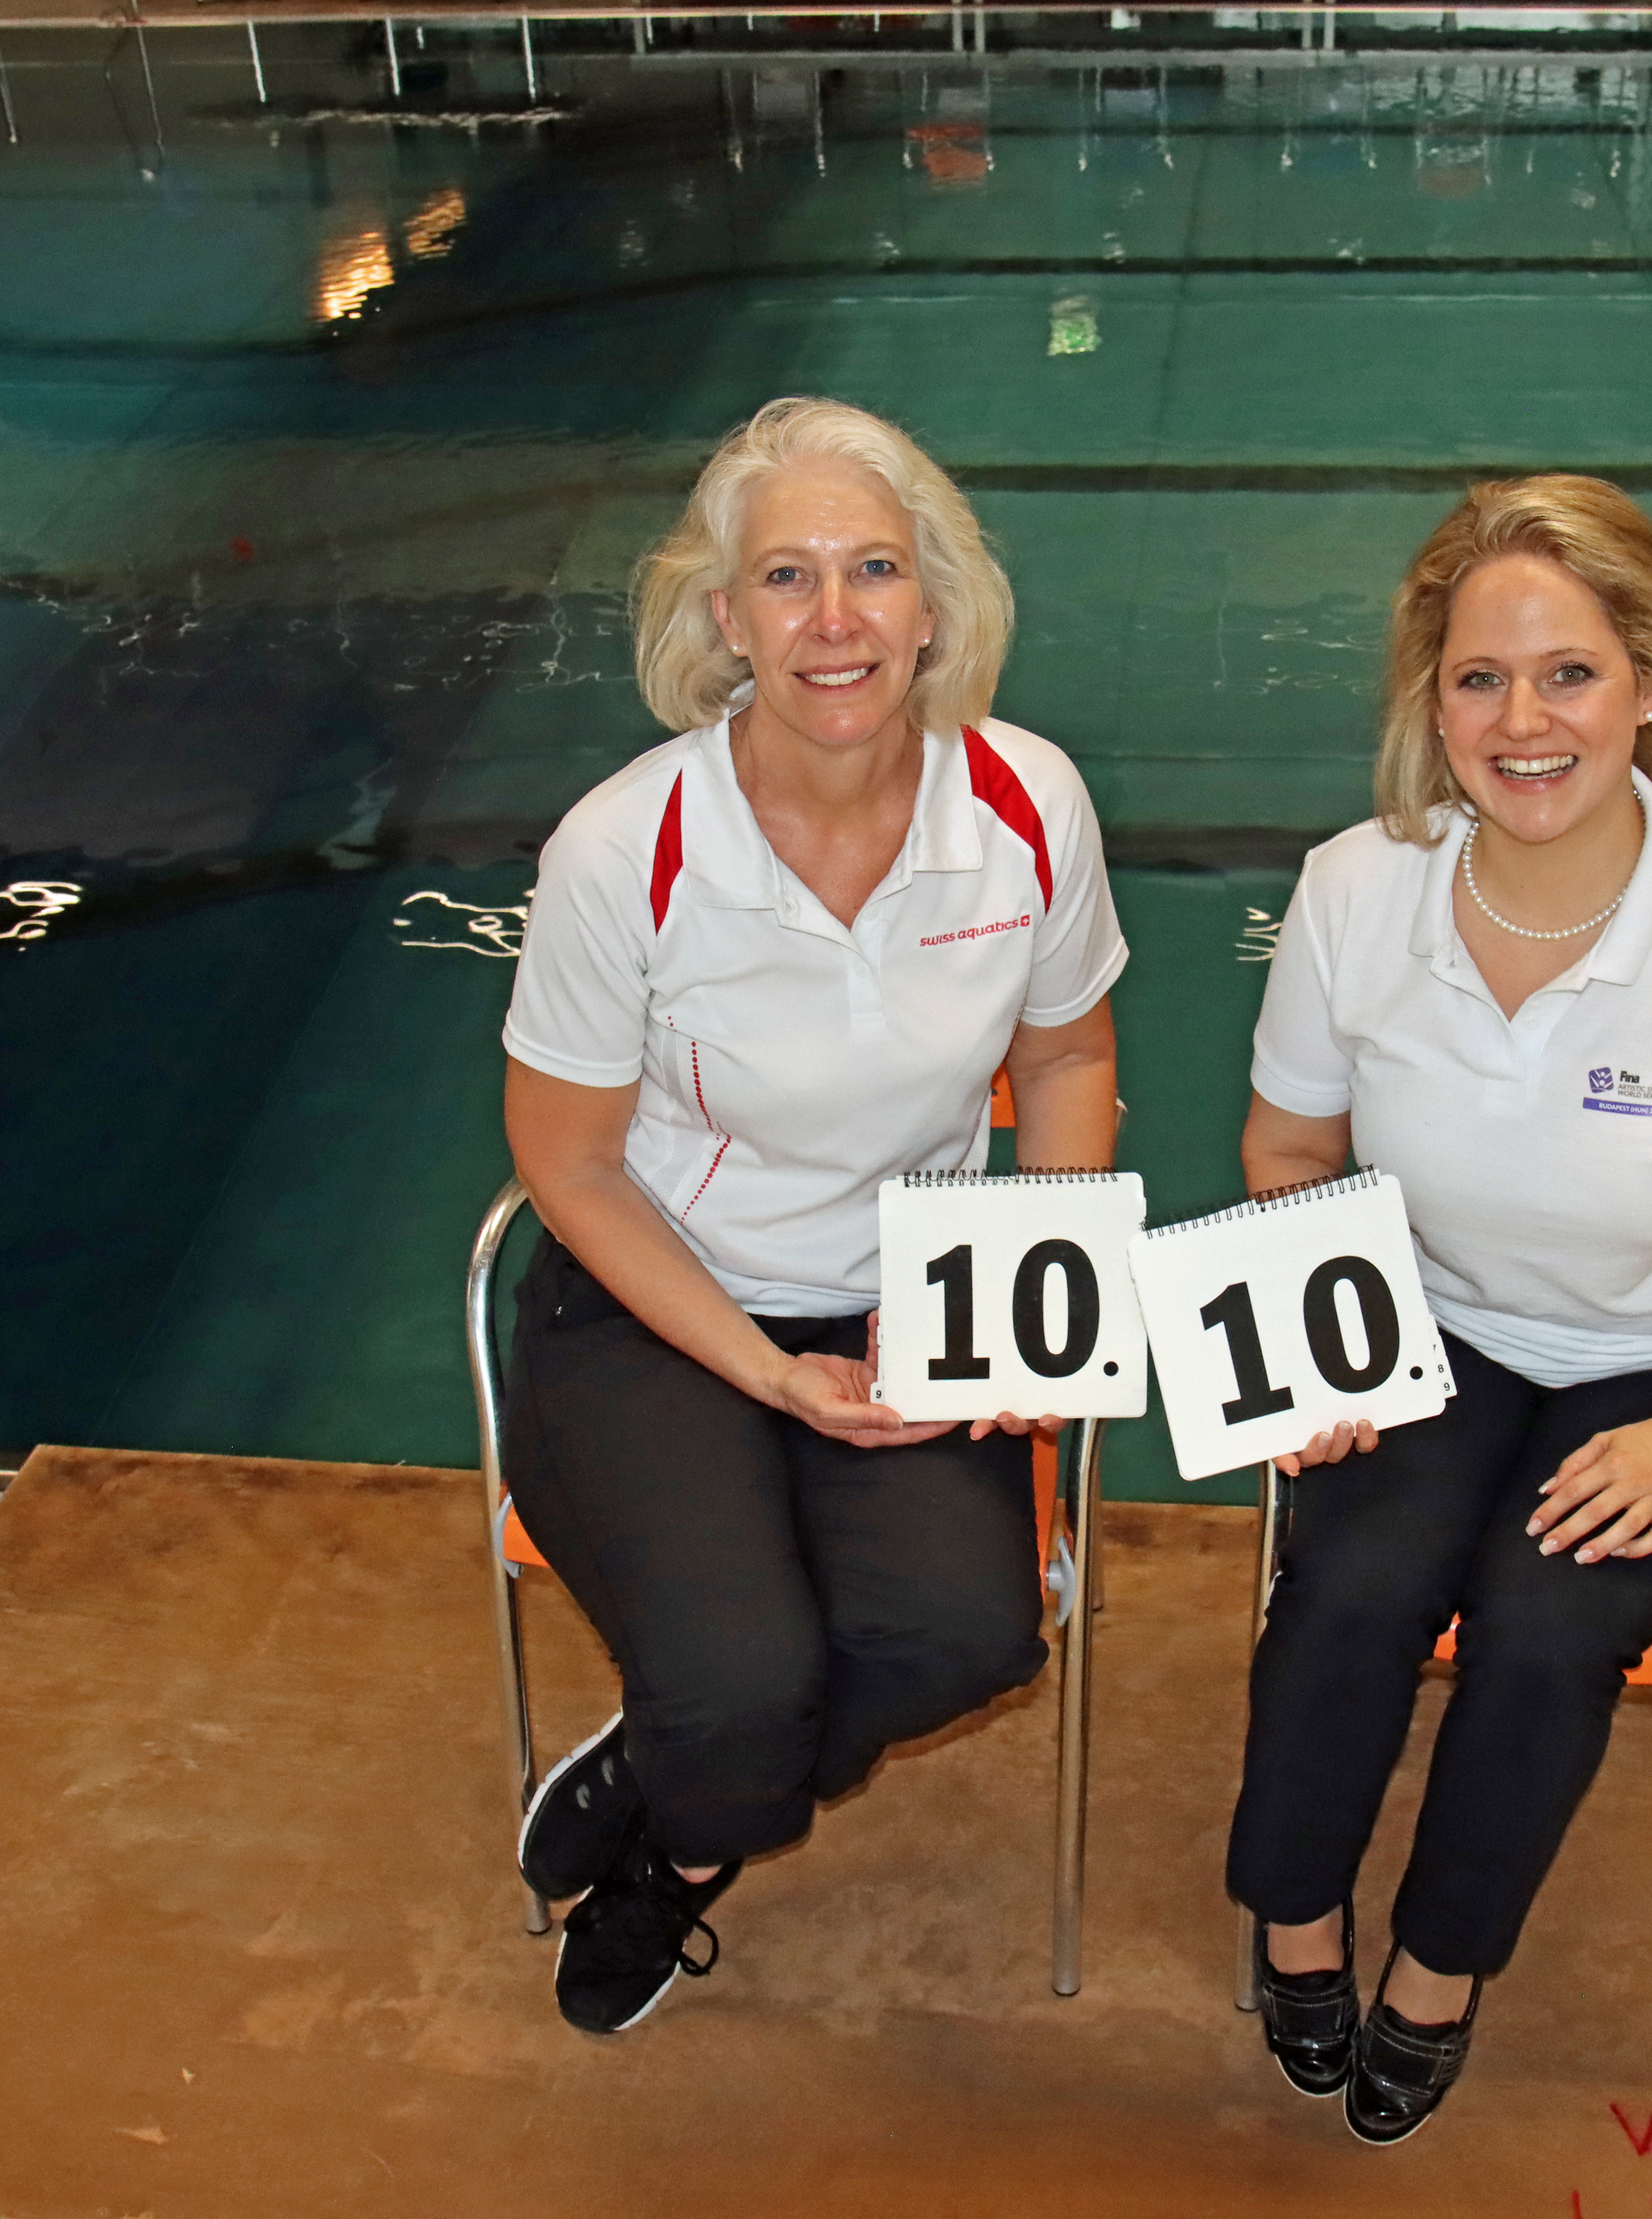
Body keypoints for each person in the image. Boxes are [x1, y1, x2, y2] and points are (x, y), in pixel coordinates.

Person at [1223, 477, 1652, 2142]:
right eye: (1477, 678)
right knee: (1356, 1576)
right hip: (1429, 1325)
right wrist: (1320, 1338)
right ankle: (1296, 1911)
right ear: (1428, 699)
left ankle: (1441, 1962)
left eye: (1569, 674)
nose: (1520, 722)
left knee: (1543, 1622)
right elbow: (1291, 1147)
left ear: (1650, 686)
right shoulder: (1356, 889)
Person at [496, 397, 1125, 2035]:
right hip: (653, 1300)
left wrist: (1027, 1295)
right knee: (743, 1678)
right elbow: (565, 1162)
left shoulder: (1026, 804)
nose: (834, 619)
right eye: (786, 576)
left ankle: (672, 1829)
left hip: (911, 1298)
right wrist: (765, 1370)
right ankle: (693, 1783)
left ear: (934, 605)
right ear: (725, 618)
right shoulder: (625, 849)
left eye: (871, 571)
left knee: (971, 1636)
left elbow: (1066, 1054)